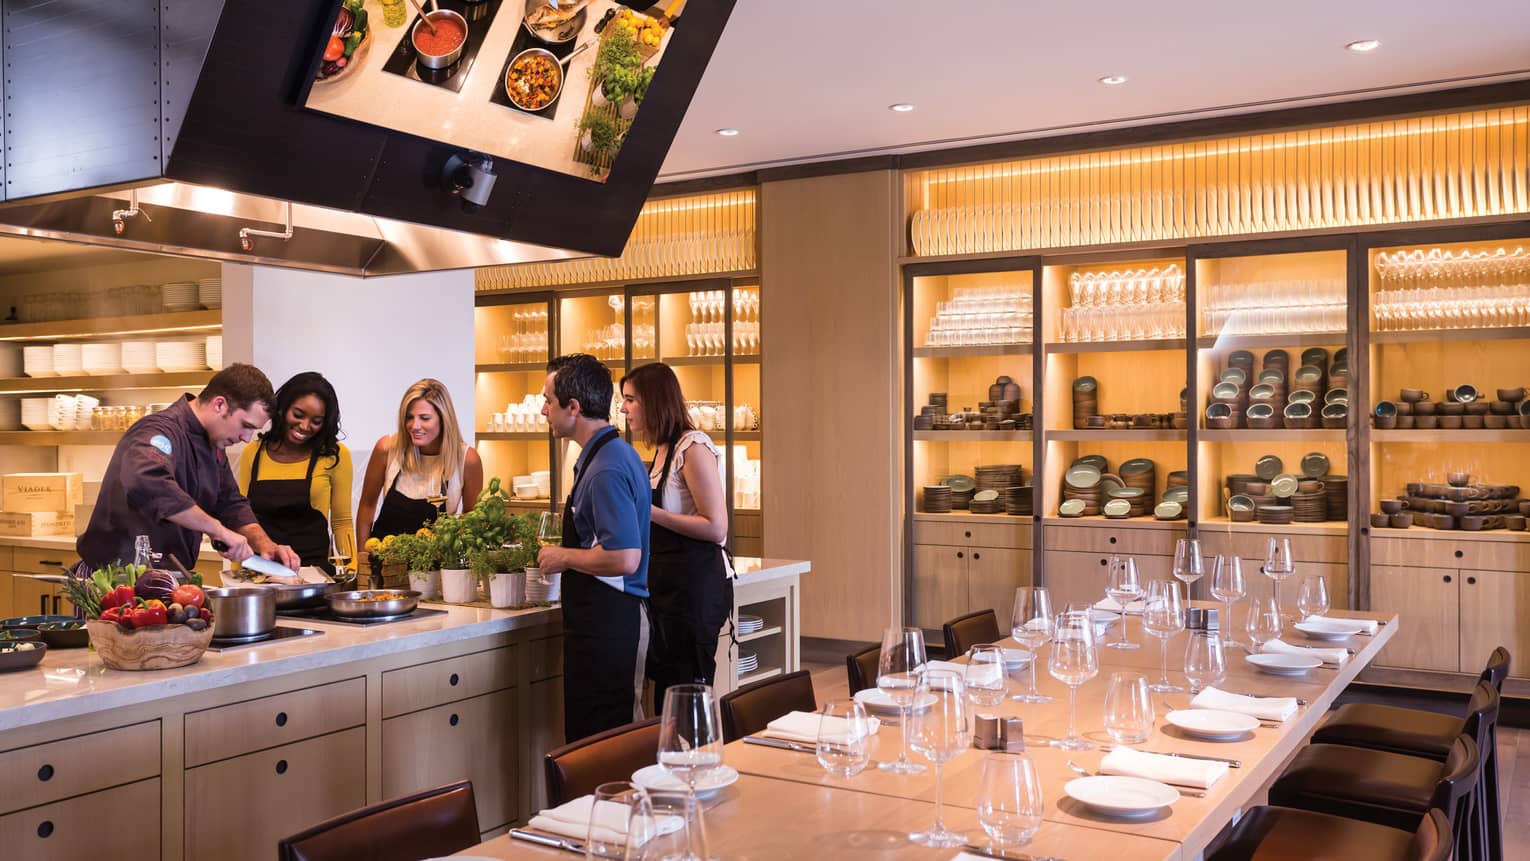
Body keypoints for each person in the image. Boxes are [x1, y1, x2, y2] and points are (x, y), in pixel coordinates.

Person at [78, 363, 300, 571]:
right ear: (220, 404)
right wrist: (217, 530)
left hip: (167, 577)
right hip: (113, 577)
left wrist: (265, 545)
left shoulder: (213, 444)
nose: (246, 438)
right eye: (245, 426)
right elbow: (148, 482)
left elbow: (230, 503)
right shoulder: (158, 431)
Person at [537, 354, 651, 742]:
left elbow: (624, 557)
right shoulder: (610, 453)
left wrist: (562, 556)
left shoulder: (606, 467)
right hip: (602, 623)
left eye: (549, 401)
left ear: (574, 407)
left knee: (604, 746)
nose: (543, 410)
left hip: (607, 627)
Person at [619, 363, 733, 706]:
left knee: (688, 694)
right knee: (668, 692)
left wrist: (649, 512)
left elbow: (716, 527)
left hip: (694, 590)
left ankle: (700, 757)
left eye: (630, 399)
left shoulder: (693, 447)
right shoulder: (660, 452)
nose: (623, 409)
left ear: (654, 402)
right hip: (666, 590)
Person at [236, 372, 353, 576]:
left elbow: (341, 522)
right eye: (298, 415)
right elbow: (242, 517)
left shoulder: (335, 455)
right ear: (282, 409)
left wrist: (350, 573)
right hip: (259, 573)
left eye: (316, 421)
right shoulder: (253, 453)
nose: (305, 426)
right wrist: (237, 572)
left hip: (313, 575)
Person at [358, 379, 483, 549]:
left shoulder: (467, 460)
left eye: (424, 418)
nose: (414, 426)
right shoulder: (387, 449)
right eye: (409, 417)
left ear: (444, 419)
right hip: (384, 563)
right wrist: (363, 560)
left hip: (434, 568)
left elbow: (471, 516)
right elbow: (367, 506)